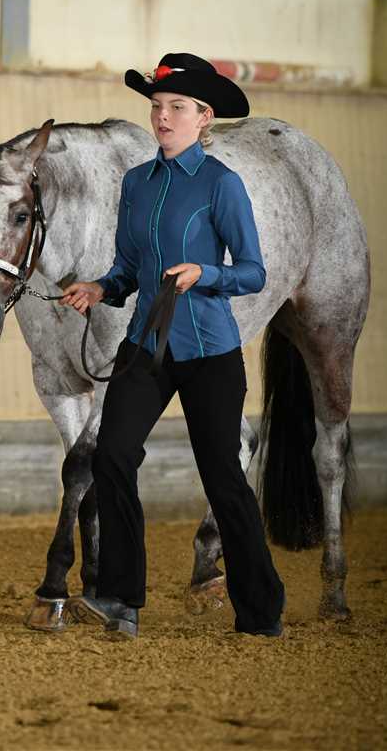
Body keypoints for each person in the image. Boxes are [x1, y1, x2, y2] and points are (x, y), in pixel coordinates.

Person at [61, 52, 285, 639]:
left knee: (222, 476)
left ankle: (261, 609)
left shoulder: (222, 184)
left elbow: (254, 272)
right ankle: (120, 598)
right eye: (158, 106)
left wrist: (205, 274)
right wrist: (99, 288)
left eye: (177, 107)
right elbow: (128, 268)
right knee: (112, 455)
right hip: (145, 345)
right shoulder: (135, 183)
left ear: (204, 117)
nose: (162, 117)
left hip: (210, 351)